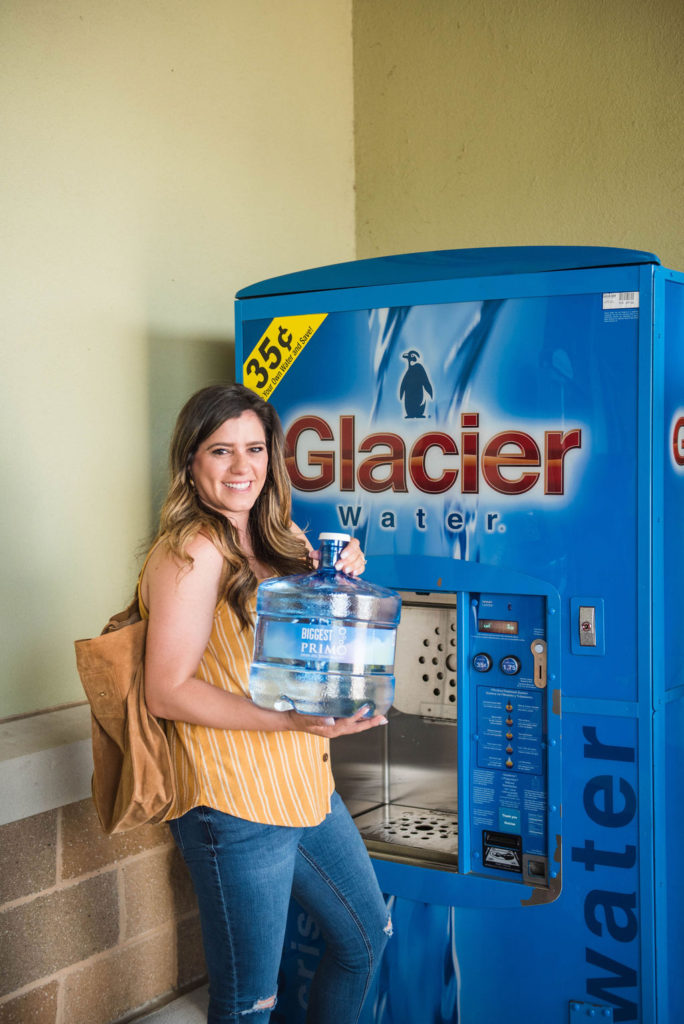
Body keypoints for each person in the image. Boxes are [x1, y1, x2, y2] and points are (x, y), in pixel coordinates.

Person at [139, 383, 391, 1024]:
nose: (242, 467)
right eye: (220, 451)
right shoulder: (193, 550)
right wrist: (287, 719)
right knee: (251, 1002)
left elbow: (309, 649)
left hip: (302, 783)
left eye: (254, 448)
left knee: (366, 941)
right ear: (191, 463)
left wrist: (343, 575)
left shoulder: (280, 539)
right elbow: (165, 690)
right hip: (233, 800)